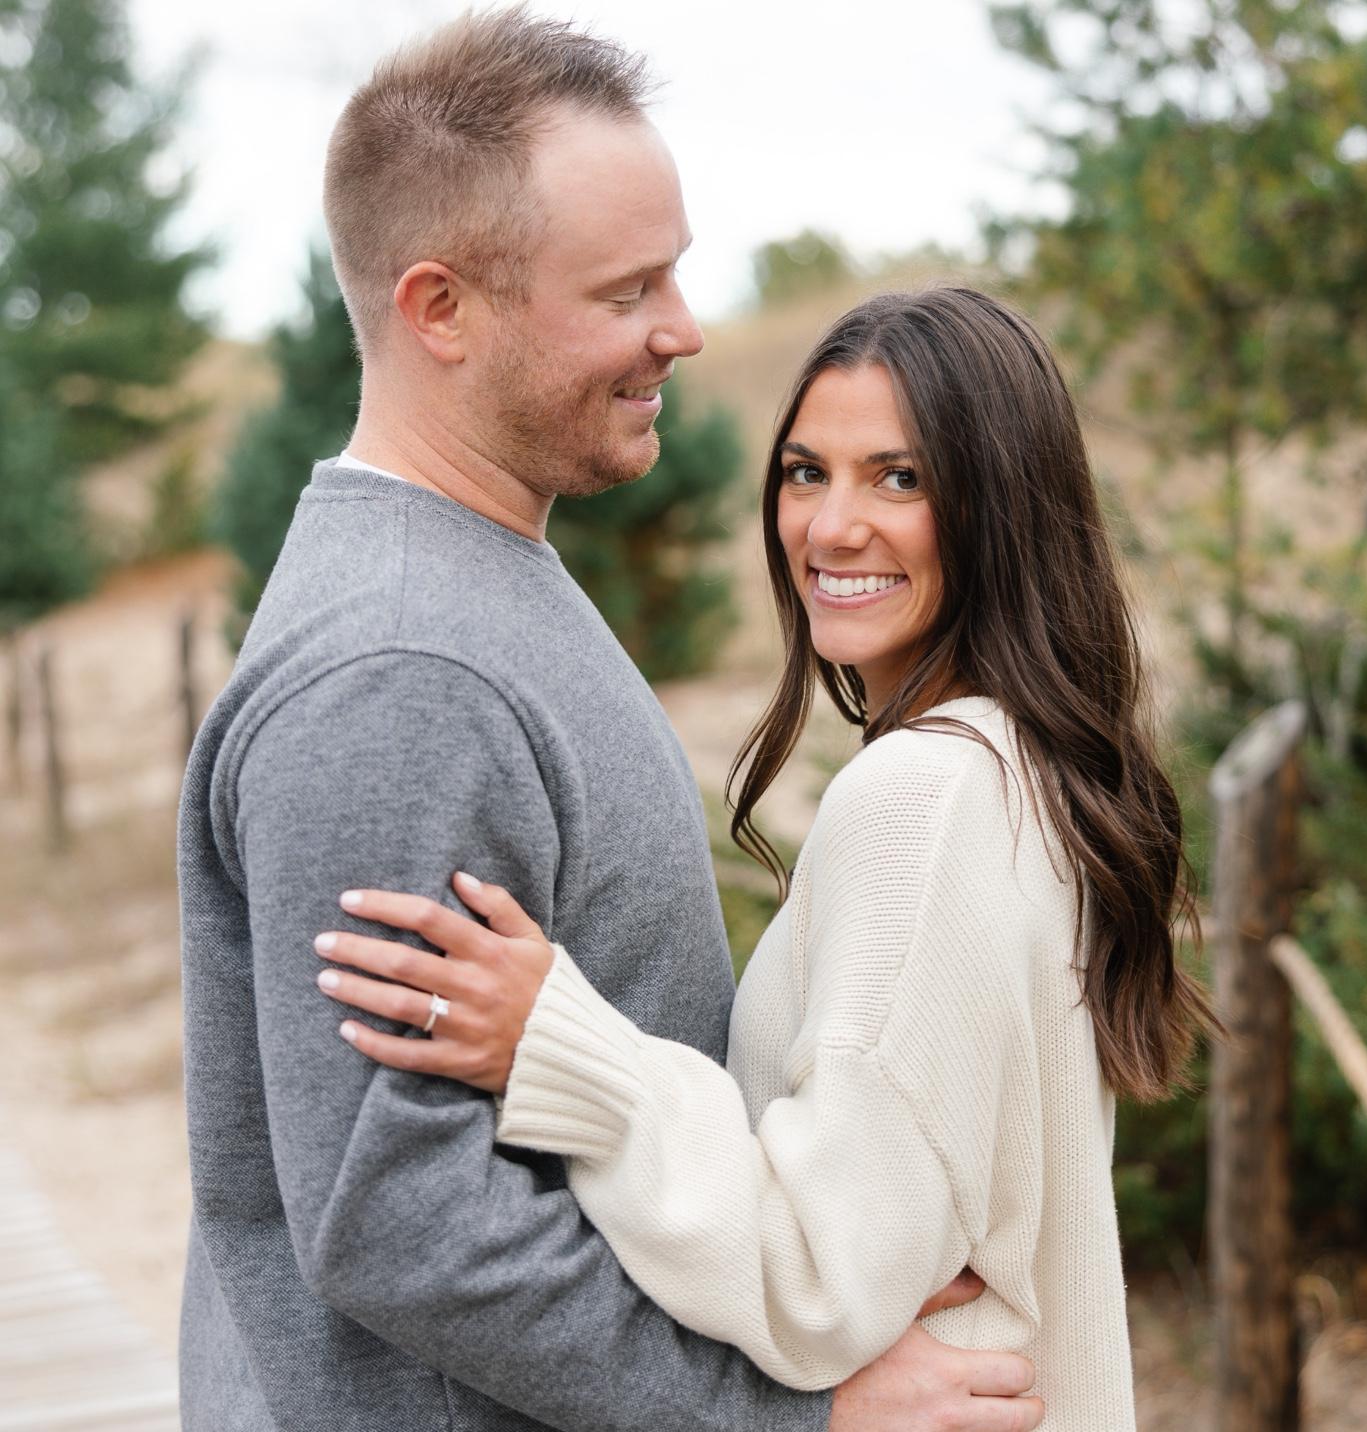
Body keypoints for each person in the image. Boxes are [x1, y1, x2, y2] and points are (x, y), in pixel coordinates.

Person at [176, 8, 1044, 1430]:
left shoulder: (481, 580)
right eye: (628, 288)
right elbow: (405, 1225)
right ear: (440, 309)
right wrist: (786, 1417)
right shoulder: (404, 672)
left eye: (677, 272)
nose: (682, 329)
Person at [313, 286, 1218, 1430]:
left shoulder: (922, 797)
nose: (830, 527)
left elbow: (815, 1277)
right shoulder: (1025, 771)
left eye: (900, 477)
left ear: (1002, 506)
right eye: (804, 471)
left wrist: (561, 1045)